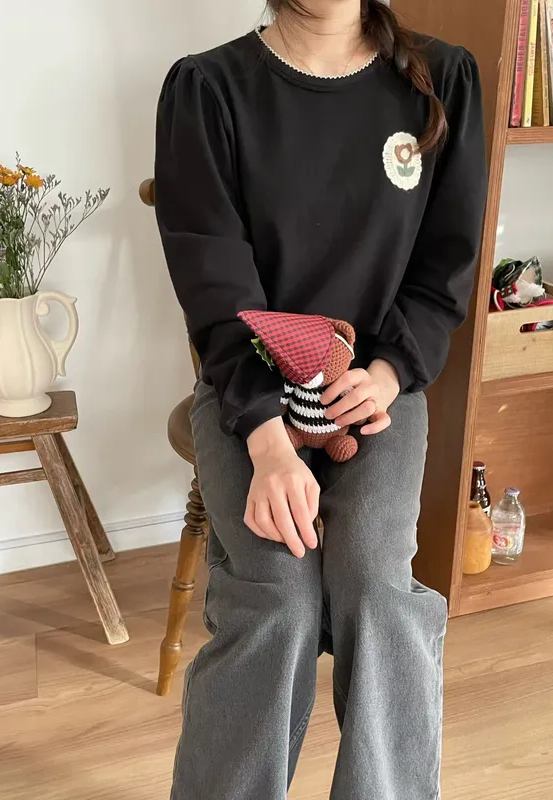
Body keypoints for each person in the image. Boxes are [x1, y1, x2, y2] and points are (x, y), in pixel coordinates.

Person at [154, 0, 487, 797]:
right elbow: (215, 292)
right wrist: (268, 444)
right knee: (277, 600)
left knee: (376, 585)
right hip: (247, 393)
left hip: (377, 391)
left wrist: (388, 373)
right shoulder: (208, 89)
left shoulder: (443, 80)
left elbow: (445, 268)